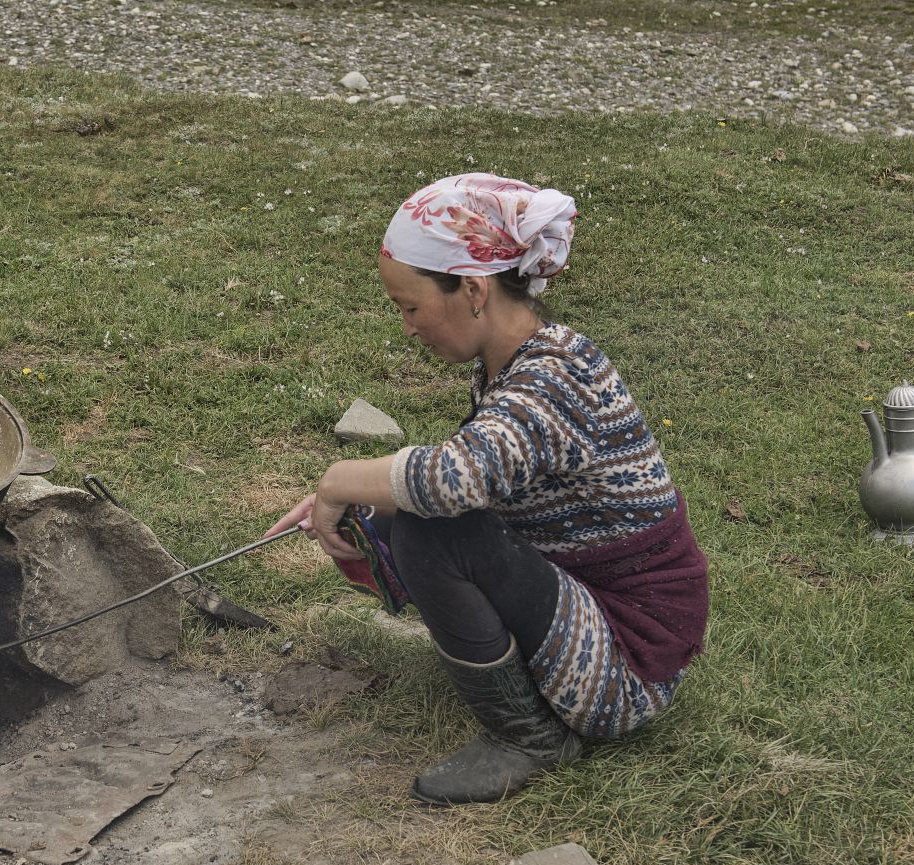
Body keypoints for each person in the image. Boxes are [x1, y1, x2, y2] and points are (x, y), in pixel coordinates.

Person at [266, 173, 709, 806]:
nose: (408, 328)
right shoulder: (526, 363)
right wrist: (363, 505)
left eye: (410, 306)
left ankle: (529, 736)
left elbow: (453, 482)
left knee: (432, 525)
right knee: (401, 511)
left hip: (628, 662)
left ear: (472, 290)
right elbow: (474, 476)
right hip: (599, 612)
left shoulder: (552, 382)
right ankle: (523, 697)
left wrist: (340, 480)